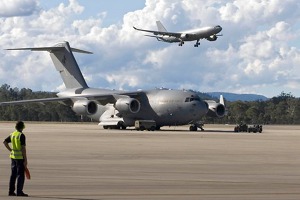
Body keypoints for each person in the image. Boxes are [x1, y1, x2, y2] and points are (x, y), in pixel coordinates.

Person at [3, 121, 29, 197]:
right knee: (20, 175)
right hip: (20, 158)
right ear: (22, 127)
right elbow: (23, 148)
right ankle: (19, 192)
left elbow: (5, 142)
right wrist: (25, 159)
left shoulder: (12, 134)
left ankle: (11, 191)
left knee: (13, 175)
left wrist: (11, 150)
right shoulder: (21, 135)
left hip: (13, 157)